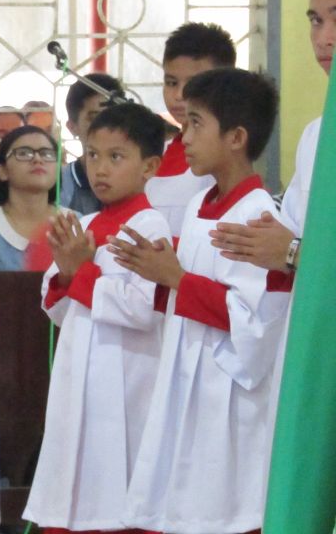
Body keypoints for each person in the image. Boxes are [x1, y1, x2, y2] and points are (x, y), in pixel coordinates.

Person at [111, 68, 289, 534]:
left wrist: (177, 280)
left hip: (226, 393)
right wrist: (157, 273)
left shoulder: (260, 216)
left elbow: (258, 324)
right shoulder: (197, 207)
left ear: (235, 137)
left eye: (195, 124)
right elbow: (183, 287)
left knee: (224, 511)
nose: (183, 136)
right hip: (185, 377)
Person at [22, 103, 169, 534]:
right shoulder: (82, 223)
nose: (100, 168)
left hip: (126, 377)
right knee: (74, 477)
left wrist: (81, 272)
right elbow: (56, 302)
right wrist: (68, 272)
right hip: (78, 373)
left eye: (116, 157)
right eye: (91, 154)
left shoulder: (151, 225)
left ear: (150, 167)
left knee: (117, 487)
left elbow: (143, 308)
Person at [209, 0, 336, 274]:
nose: (324, 38)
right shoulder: (316, 136)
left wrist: (293, 253)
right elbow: (290, 236)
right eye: (316, 20)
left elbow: (291, 250)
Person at [145, 22, 236, 239]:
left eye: (193, 83)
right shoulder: (155, 153)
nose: (179, 95)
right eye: (171, 82)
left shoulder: (224, 157)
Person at [0, 125, 59, 272]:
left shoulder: (75, 223)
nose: (37, 159)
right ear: (2, 171)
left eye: (47, 154)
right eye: (24, 153)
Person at [60, 74, 124, 215]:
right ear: (72, 127)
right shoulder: (59, 185)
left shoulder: (141, 179)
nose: (106, 127)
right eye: (95, 118)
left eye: (113, 117)